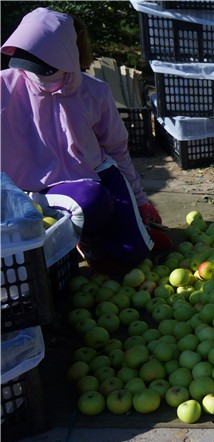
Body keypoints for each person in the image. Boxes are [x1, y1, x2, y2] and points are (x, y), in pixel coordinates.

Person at [0, 8, 168, 276]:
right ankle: (87, 241)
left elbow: (116, 149)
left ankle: (103, 233)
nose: (31, 71)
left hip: (91, 175)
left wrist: (140, 200)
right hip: (34, 190)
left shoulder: (94, 92)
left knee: (133, 255)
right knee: (91, 200)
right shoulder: (4, 88)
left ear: (63, 58)